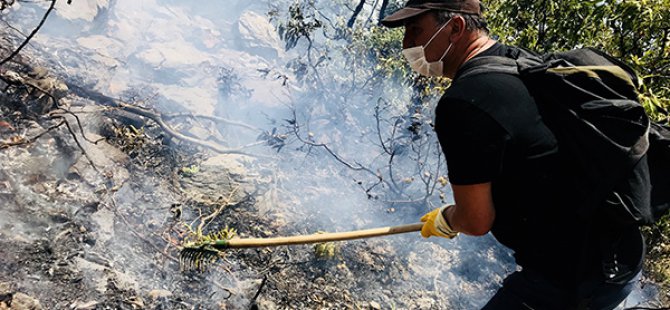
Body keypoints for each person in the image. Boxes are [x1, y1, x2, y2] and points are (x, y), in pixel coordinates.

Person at [381, 1, 645, 309]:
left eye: (415, 31)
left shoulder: (465, 102)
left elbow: (476, 221)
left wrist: (448, 218)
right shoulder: (517, 61)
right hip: (620, 255)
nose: (406, 44)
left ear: (455, 27)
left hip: (573, 277)